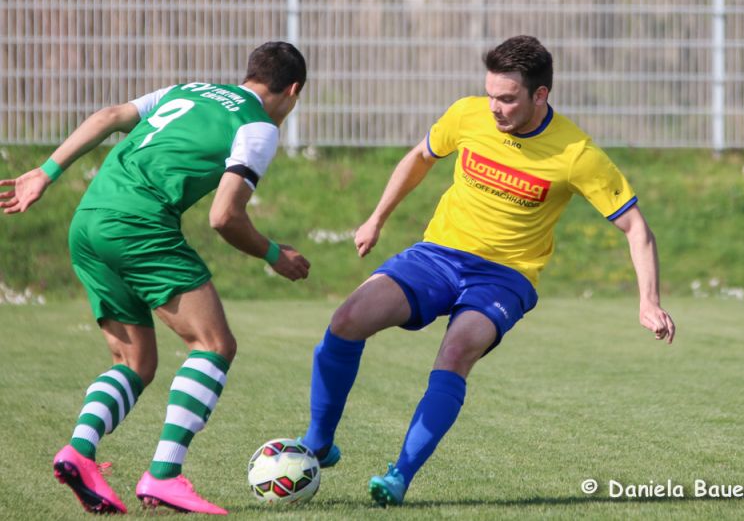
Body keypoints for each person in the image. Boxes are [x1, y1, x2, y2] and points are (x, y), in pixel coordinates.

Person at [298, 35, 676, 507]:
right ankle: (318, 442)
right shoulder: (467, 114)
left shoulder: (576, 153)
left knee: (457, 351)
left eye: (508, 98)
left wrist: (648, 301)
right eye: (491, 94)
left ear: (541, 95)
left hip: (505, 277)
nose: (495, 107)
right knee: (347, 319)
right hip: (438, 255)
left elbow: (635, 226)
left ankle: (399, 476)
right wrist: (377, 218)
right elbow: (420, 158)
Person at [0, 41, 311, 515]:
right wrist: (274, 254)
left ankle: (79, 452)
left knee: (135, 361)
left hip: (89, 221)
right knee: (214, 345)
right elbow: (224, 217)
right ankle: (164, 475)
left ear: (250, 73)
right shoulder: (258, 126)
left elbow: (109, 116)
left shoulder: (189, 90)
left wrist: (46, 172)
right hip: (140, 224)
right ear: (292, 90)